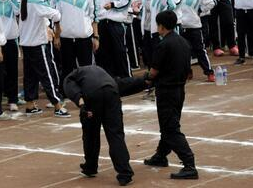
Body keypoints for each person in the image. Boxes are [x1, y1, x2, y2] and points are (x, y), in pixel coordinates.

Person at [63, 65, 150, 186]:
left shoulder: (71, 76)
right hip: (111, 93)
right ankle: (125, 174)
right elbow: (122, 84)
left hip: (92, 97)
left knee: (90, 135)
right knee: (116, 135)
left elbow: (71, 88)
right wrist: (143, 81)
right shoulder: (102, 72)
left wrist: (81, 104)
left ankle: (90, 167)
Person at [143, 10, 198, 180]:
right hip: (179, 90)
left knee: (170, 128)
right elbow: (189, 73)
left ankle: (189, 164)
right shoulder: (183, 42)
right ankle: (160, 156)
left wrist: (144, 80)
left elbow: (153, 72)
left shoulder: (163, 45)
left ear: (161, 26)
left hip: (166, 91)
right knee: (169, 124)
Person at [19, 0, 70, 118]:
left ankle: (30, 105)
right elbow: (56, 14)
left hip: (26, 44)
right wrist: (56, 28)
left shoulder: (24, 0)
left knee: (30, 76)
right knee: (46, 75)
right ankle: (57, 105)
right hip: (38, 45)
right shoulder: (36, 2)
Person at [54, 0, 98, 83]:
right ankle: (67, 91)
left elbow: (94, 16)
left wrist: (96, 37)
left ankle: (87, 89)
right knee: (67, 68)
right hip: (65, 38)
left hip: (84, 38)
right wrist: (56, 36)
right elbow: (55, 16)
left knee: (86, 68)